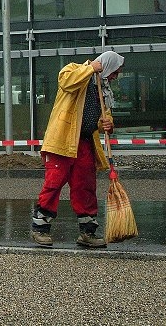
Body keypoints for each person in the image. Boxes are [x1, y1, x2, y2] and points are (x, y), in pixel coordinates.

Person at [31, 51, 124, 248]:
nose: (115, 76)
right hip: (62, 141)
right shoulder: (73, 69)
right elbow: (66, 82)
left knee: (85, 186)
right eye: (115, 71)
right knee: (53, 183)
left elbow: (104, 117)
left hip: (84, 143)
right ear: (106, 65)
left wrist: (108, 124)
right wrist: (91, 68)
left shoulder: (103, 89)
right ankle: (40, 228)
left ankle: (87, 232)